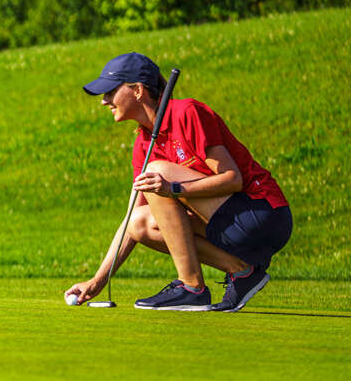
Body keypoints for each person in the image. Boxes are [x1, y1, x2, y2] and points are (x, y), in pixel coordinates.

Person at [65, 52, 293, 312]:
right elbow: (129, 220)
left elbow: (233, 178)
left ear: (138, 90)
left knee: (156, 172)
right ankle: (239, 273)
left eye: (110, 92)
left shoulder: (186, 112)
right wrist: (96, 282)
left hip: (262, 214)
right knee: (140, 223)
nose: (105, 101)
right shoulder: (143, 144)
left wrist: (173, 189)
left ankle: (190, 287)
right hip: (223, 227)